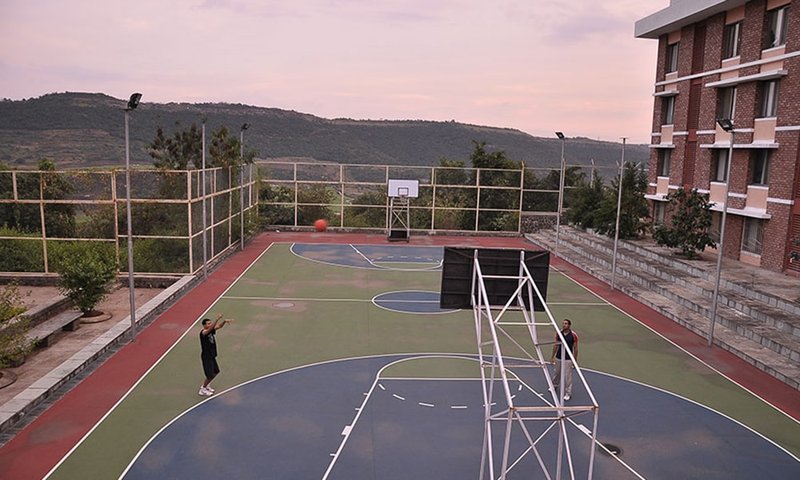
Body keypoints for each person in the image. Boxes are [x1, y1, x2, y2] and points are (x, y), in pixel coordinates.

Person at [199, 313, 233, 396]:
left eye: (210, 323)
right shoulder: (203, 333)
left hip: (212, 355)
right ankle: (202, 389)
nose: (210, 324)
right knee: (210, 375)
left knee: (216, 371)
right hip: (206, 357)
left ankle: (206, 385)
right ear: (204, 325)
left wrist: (224, 321)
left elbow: (219, 327)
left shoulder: (211, 331)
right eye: (208, 323)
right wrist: (217, 319)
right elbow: (210, 328)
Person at [550, 318, 578, 401]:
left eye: (565, 323)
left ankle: (568, 393)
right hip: (559, 357)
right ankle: (554, 386)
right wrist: (552, 356)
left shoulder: (573, 335)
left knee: (567, 376)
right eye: (563, 323)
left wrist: (574, 360)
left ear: (569, 325)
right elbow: (556, 345)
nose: (564, 325)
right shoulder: (559, 333)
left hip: (568, 358)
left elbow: (575, 348)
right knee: (557, 373)